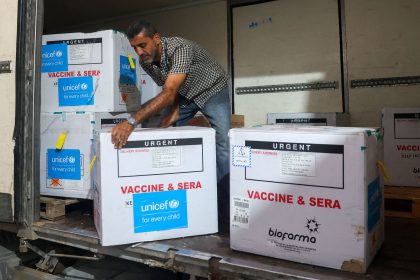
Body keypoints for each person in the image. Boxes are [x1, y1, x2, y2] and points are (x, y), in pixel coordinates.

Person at [111, 20, 231, 232]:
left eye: (143, 45)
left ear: (156, 39)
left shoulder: (180, 48)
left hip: (212, 89)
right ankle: (176, 197)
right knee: (164, 136)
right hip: (184, 95)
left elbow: (168, 91)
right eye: (134, 48)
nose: (139, 52)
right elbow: (171, 89)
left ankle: (224, 215)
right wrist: (175, 109)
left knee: (223, 145)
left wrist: (131, 121)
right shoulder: (145, 62)